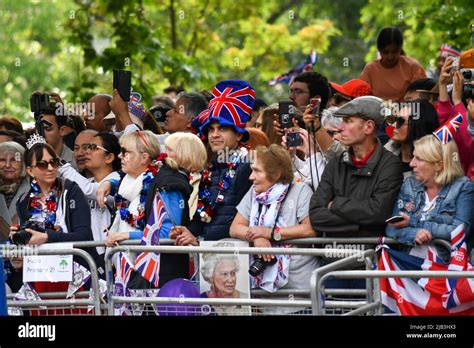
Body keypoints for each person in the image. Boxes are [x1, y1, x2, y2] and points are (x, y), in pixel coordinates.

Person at [230, 145, 317, 313]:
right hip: (265, 296)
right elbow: (235, 228)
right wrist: (256, 237)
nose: (251, 177)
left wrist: (270, 234)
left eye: (257, 171)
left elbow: (310, 230)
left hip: (298, 293)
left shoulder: (301, 190)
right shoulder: (254, 192)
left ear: (276, 175)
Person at [172, 80, 254, 244]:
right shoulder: (211, 167)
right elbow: (204, 216)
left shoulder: (249, 166)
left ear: (239, 135)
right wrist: (188, 230)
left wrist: (199, 239)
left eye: (222, 128)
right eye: (211, 129)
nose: (214, 134)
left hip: (235, 252)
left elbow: (240, 220)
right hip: (210, 250)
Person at [11, 137, 96, 295]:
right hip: (40, 275)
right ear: (30, 170)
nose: (50, 168)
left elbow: (84, 236)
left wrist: (46, 237)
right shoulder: (24, 201)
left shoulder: (71, 191)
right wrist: (20, 239)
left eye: (54, 162)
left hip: (75, 276)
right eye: (42, 164)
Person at [309, 96, 404, 237]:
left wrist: (335, 204)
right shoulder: (336, 164)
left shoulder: (390, 164)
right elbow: (316, 215)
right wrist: (360, 224)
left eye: (348, 121)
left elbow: (378, 213)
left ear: (368, 127)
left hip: (369, 256)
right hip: (331, 255)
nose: (340, 128)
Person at [386, 134, 474, 260]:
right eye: (413, 157)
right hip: (408, 267)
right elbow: (392, 226)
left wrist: (413, 222)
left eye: (419, 159)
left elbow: (459, 231)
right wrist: (414, 234)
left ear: (439, 165)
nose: (411, 163)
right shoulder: (409, 184)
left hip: (447, 271)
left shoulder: (464, 188)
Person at [58, 132, 121, 258]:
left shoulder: (117, 181)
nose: (86, 152)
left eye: (93, 148)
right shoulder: (87, 182)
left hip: (109, 254)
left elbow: (90, 190)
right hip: (87, 254)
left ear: (109, 157)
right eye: (87, 148)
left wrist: (62, 166)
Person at [359, 27, 426, 102]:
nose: (390, 57)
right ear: (379, 50)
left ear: (400, 49)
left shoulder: (413, 67)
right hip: (376, 111)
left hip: (407, 111)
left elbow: (422, 95)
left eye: (394, 52)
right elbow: (361, 98)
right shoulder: (370, 69)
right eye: (385, 52)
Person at [437, 57, 474, 180]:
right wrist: (442, 85)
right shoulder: (459, 112)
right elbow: (444, 133)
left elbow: (469, 141)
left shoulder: (460, 110)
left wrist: (458, 102)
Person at [384, 99, 440, 177]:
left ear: (418, 126)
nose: (393, 125)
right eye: (395, 119)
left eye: (401, 121)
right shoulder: (386, 152)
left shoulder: (431, 169)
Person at [200, 245, 250, 316]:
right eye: (224, 274)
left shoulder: (246, 299)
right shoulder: (201, 300)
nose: (231, 280)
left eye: (233, 273)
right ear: (211, 277)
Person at [37, 102, 77, 169]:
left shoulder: (76, 162)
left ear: (62, 130)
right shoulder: (31, 159)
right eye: (39, 129)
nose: (41, 134)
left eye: (48, 129)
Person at [0, 142, 29, 226]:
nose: (8, 165)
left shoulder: (35, 189)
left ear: (23, 164)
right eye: (2, 160)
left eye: (14, 160)